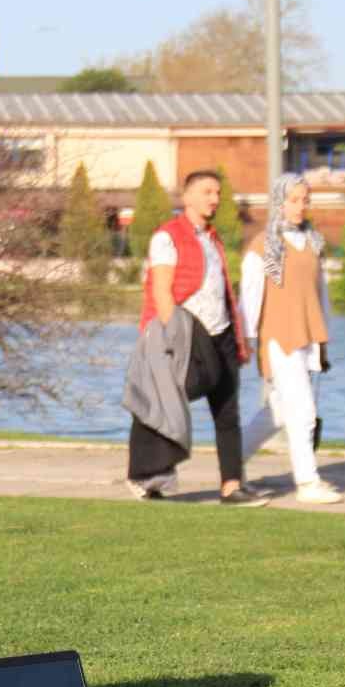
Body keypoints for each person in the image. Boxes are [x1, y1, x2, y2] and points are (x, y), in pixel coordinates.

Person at [125, 169, 265, 506]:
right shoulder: (167, 236)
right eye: (207, 192)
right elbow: (161, 290)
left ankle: (232, 486)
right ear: (186, 197)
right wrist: (172, 338)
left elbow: (220, 291)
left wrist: (239, 338)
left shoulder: (212, 238)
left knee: (227, 409)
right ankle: (146, 473)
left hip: (222, 333)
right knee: (164, 400)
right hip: (186, 333)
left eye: (217, 193)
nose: (214, 199)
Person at [238, 173, 342, 504]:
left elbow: (319, 292)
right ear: (279, 202)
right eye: (294, 200)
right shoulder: (264, 245)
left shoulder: (313, 242)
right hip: (277, 337)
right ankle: (308, 483)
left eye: (305, 200)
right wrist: (248, 339)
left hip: (307, 335)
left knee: (280, 411)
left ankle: (230, 465)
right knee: (303, 411)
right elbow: (250, 297)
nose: (300, 206)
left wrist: (323, 340)